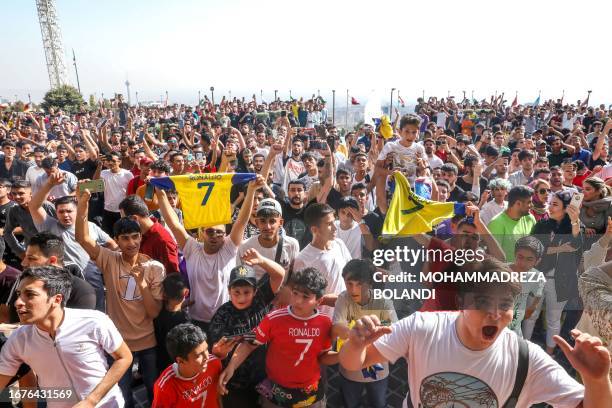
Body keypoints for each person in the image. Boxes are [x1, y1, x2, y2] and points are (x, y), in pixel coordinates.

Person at [339, 258, 612, 407]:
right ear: (461, 303)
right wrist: (355, 344)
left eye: (504, 304)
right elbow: (355, 363)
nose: (494, 313)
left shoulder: (527, 359)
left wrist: (597, 381)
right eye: (482, 303)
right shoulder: (421, 328)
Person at [76, 186, 165, 407]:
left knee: (155, 394)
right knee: (122, 397)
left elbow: (154, 311)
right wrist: (84, 204)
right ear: (116, 239)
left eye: (136, 237)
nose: (132, 243)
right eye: (125, 238)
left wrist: (142, 283)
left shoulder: (154, 267)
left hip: (149, 342)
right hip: (118, 343)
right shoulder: (109, 260)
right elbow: (83, 238)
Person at [0, 266, 132, 407]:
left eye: (30, 294)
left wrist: (91, 401)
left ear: (56, 300)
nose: (17, 302)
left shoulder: (94, 321)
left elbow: (124, 357)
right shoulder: (18, 340)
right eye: (19, 294)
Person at [155, 174, 264, 333]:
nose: (215, 236)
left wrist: (252, 191)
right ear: (202, 233)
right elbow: (174, 224)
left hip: (225, 319)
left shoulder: (229, 248)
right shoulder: (192, 249)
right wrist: (161, 194)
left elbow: (241, 221)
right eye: (210, 232)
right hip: (196, 320)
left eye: (220, 233)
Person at [218, 268, 338, 408]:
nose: (298, 300)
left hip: (310, 394)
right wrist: (231, 366)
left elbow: (323, 356)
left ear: (319, 300)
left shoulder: (325, 323)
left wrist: (342, 355)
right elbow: (249, 344)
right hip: (277, 393)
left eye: (305, 297)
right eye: (295, 293)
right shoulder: (274, 319)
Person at [208, 252, 286, 408]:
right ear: (229, 291)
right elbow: (217, 351)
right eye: (236, 292)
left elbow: (279, 275)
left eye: (247, 292)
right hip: (235, 383)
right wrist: (218, 353)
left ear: (255, 291)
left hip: (264, 377)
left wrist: (262, 260)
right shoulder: (222, 315)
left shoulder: (261, 300)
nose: (242, 298)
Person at [523, 190, 583, 354]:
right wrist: (559, 248)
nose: (550, 206)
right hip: (537, 277)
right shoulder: (541, 224)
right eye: (550, 203)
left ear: (566, 207)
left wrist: (575, 220)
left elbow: (577, 244)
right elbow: (533, 249)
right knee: (530, 316)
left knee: (553, 319)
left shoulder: (574, 226)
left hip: (560, 281)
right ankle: (525, 350)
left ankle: (550, 355)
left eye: (555, 204)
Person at [332, 259, 397, 408]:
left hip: (378, 368)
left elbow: (394, 329)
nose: (353, 290)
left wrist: (358, 337)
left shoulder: (383, 301)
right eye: (349, 284)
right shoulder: (343, 299)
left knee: (378, 403)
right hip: (349, 369)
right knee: (350, 403)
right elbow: (337, 326)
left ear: (370, 283)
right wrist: (360, 335)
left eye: (359, 284)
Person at [293, 203, 352, 316]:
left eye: (334, 222)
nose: (335, 228)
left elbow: (352, 275)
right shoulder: (303, 259)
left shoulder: (339, 244)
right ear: (315, 229)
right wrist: (325, 300)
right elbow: (301, 298)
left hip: (346, 319)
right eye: (329, 224)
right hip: (320, 324)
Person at [152, 323, 223, 407]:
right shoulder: (165, 387)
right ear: (180, 360)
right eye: (199, 355)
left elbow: (218, 395)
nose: (206, 357)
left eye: (206, 349)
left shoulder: (214, 363)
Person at [236, 198, 299, 281]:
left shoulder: (292, 245)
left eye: (272, 221)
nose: (267, 226)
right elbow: (239, 280)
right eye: (263, 221)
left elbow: (294, 278)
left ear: (280, 223)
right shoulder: (245, 247)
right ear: (257, 222)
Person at [119, 194, 180, 274]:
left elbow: (173, 276)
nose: (123, 224)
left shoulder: (162, 241)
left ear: (134, 218)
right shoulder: (140, 234)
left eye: (124, 219)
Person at [3, 180, 55, 260]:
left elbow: (62, 228)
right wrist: (19, 251)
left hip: (53, 252)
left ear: (31, 193)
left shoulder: (46, 206)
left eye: (21, 193)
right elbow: (7, 232)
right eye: (14, 194)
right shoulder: (14, 210)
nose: (17, 197)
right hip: (32, 254)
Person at [506, 236, 545, 336]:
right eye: (520, 257)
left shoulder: (537, 277)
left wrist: (532, 307)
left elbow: (537, 296)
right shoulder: (501, 271)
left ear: (537, 261)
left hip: (515, 331)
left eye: (529, 259)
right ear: (515, 254)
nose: (523, 263)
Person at [487, 186, 537, 262]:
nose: (532, 205)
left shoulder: (530, 218)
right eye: (529, 202)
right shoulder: (496, 223)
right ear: (518, 203)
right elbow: (495, 258)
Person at [154, 273, 190, 372]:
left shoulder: (157, 316)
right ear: (186, 292)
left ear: (164, 294)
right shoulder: (185, 320)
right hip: (179, 367)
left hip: (161, 365)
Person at [99, 152, 134, 234]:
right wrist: (99, 165)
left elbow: (132, 191)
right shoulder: (104, 173)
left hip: (123, 211)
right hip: (108, 210)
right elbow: (95, 182)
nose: (111, 163)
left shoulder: (127, 174)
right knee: (107, 234)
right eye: (109, 160)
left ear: (120, 162)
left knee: (123, 233)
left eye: (114, 161)